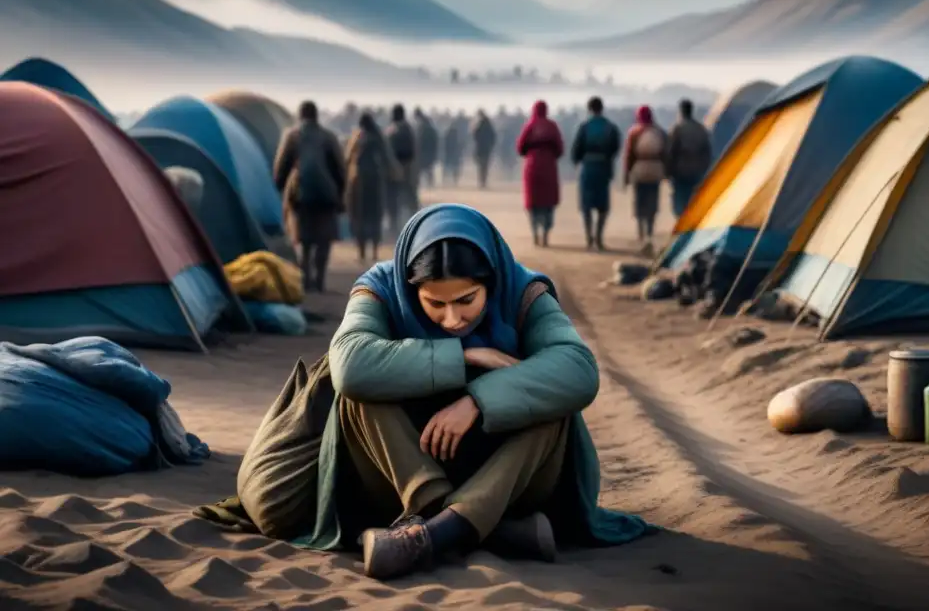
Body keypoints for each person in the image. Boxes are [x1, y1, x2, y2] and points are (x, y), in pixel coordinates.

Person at [207, 204, 651, 580]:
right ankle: (473, 524)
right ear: (411, 287)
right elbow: (351, 364)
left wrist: (478, 401)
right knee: (357, 395)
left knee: (554, 410)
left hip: (507, 477)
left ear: (491, 283)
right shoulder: (380, 288)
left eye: (467, 300)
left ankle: (431, 535)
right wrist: (465, 358)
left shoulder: (523, 292)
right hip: (400, 479)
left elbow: (577, 369)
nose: (453, 318)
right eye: (435, 304)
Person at [273, 100, 345, 292]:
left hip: (301, 195)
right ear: (316, 116)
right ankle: (319, 277)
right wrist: (340, 194)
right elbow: (339, 169)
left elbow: (282, 166)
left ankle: (305, 278)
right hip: (326, 196)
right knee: (324, 239)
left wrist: (279, 187)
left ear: (301, 115)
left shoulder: (292, 136)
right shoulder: (329, 137)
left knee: (304, 240)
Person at [570, 97, 620, 251]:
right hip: (603, 168)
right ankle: (599, 237)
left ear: (589, 108)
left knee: (587, 205)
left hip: (588, 168)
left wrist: (577, 161)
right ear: (601, 108)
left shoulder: (584, 126)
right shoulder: (610, 127)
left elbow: (576, 149)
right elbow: (615, 147)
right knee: (602, 206)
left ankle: (589, 238)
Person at [344, 113, 391, 263]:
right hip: (376, 182)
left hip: (358, 183)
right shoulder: (379, 137)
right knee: (375, 217)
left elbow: (347, 158)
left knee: (360, 217)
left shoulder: (356, 137)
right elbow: (387, 159)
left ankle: (362, 252)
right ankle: (375, 251)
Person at [516, 101, 564, 247]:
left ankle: (535, 233)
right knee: (548, 202)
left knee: (533, 202)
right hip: (549, 166)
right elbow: (560, 148)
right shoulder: (552, 126)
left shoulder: (529, 126)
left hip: (532, 166)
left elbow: (520, 147)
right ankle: (545, 234)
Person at [623, 105, 668, 255]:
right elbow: (665, 154)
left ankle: (640, 232)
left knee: (639, 201)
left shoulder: (634, 132)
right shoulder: (660, 132)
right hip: (655, 170)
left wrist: (626, 175)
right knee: (652, 201)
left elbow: (629, 156)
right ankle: (650, 231)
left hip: (640, 170)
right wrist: (666, 173)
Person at [666, 98, 711, 218]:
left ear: (681, 111)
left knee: (680, 200)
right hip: (697, 171)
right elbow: (707, 152)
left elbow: (670, 152)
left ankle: (681, 222)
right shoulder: (701, 129)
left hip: (680, 171)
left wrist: (668, 171)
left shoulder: (677, 129)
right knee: (693, 199)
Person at [385, 104, 419, 235]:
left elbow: (389, 153)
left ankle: (395, 228)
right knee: (409, 199)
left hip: (395, 171)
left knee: (394, 201)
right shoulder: (409, 129)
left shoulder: (392, 131)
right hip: (409, 169)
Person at [413, 108, 439, 188]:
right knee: (428, 169)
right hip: (429, 150)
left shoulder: (421, 126)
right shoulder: (428, 124)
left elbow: (419, 139)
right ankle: (430, 184)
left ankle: (425, 184)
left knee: (422, 169)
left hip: (424, 150)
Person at [470, 110, 497, 189]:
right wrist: (491, 145)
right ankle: (483, 181)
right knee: (484, 166)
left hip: (480, 148)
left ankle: (481, 181)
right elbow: (493, 137)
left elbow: (475, 135)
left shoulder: (478, 125)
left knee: (481, 166)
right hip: (486, 148)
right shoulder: (489, 125)